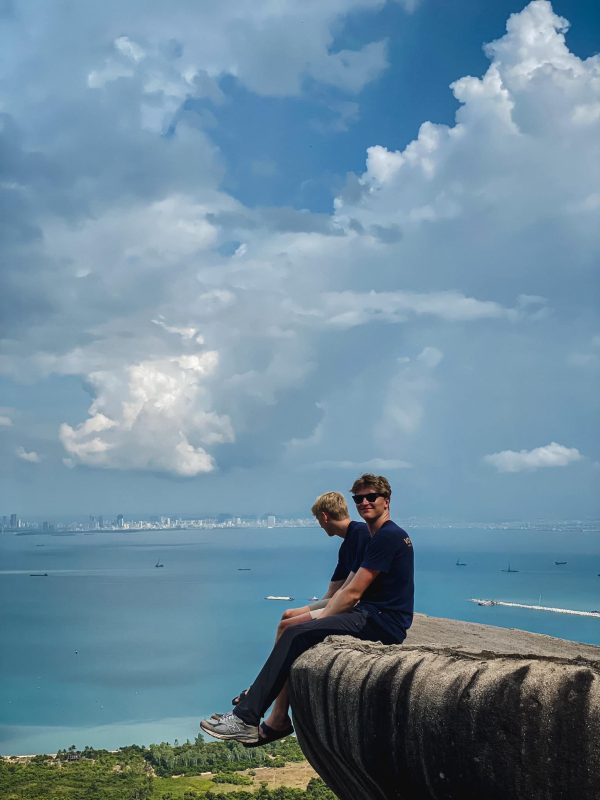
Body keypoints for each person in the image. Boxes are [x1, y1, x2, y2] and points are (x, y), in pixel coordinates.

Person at [200, 474, 414, 746]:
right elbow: (344, 589)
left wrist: (319, 620)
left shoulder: (388, 536)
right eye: (359, 498)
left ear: (387, 500)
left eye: (371, 497)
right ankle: (262, 713)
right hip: (374, 615)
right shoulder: (377, 536)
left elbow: (352, 592)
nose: (364, 502)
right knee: (295, 631)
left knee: (296, 633)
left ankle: (246, 718)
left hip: (380, 621)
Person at [228, 491, 369, 731]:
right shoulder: (348, 543)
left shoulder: (361, 535)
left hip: (351, 607)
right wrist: (303, 611)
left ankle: (278, 715)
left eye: (317, 520)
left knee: (289, 627)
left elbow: (351, 592)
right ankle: (265, 697)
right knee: (287, 616)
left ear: (324, 517)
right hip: (339, 601)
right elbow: (332, 591)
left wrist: (314, 619)